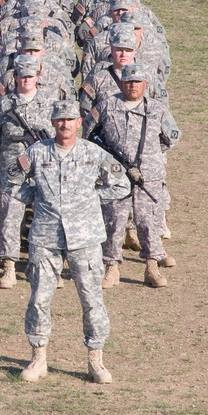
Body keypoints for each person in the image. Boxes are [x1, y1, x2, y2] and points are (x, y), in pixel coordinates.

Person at [14, 100, 131, 384]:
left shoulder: (94, 154)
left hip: (85, 237)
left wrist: (90, 202)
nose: (65, 124)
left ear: (79, 123)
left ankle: (96, 360)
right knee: (40, 297)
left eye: (70, 120)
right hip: (46, 236)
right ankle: (38, 357)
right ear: (53, 122)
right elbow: (12, 181)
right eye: (60, 120)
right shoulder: (36, 153)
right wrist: (38, 201)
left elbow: (122, 184)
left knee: (92, 299)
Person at [88, 63, 181, 289]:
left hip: (148, 176)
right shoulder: (106, 106)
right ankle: (111, 268)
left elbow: (172, 137)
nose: (133, 86)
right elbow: (90, 136)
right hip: (115, 175)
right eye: (128, 81)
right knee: (114, 221)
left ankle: (151, 267)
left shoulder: (156, 110)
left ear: (145, 84)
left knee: (148, 221)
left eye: (137, 82)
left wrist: (150, 156)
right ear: (122, 83)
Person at [0, 55, 57, 289]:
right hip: (12, 172)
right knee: (9, 218)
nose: (26, 80)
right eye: (21, 75)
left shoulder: (50, 104)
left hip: (42, 171)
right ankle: (9, 267)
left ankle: (42, 264)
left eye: (30, 76)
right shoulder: (3, 106)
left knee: (45, 219)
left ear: (38, 77)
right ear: (14, 77)